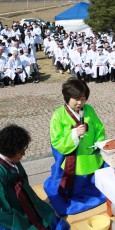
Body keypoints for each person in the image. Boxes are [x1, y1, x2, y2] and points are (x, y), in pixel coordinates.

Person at [44, 78, 107, 216]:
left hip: (90, 155)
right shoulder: (58, 115)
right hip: (72, 161)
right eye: (76, 99)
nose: (80, 103)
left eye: (83, 99)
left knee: (95, 179)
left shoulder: (89, 110)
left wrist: (98, 143)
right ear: (67, 97)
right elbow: (57, 141)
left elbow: (99, 128)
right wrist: (74, 134)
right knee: (72, 187)